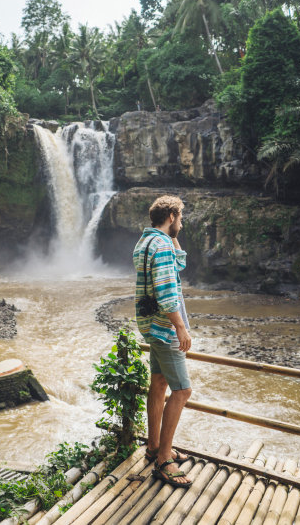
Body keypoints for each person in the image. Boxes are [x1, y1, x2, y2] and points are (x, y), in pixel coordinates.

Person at [133, 195, 192, 488]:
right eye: (179, 218)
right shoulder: (162, 247)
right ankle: (164, 460)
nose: (181, 223)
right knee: (182, 390)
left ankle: (154, 445)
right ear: (170, 216)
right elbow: (168, 292)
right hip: (166, 328)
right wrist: (181, 328)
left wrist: (173, 236)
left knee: (158, 382)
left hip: (149, 326)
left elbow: (178, 264)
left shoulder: (146, 243)